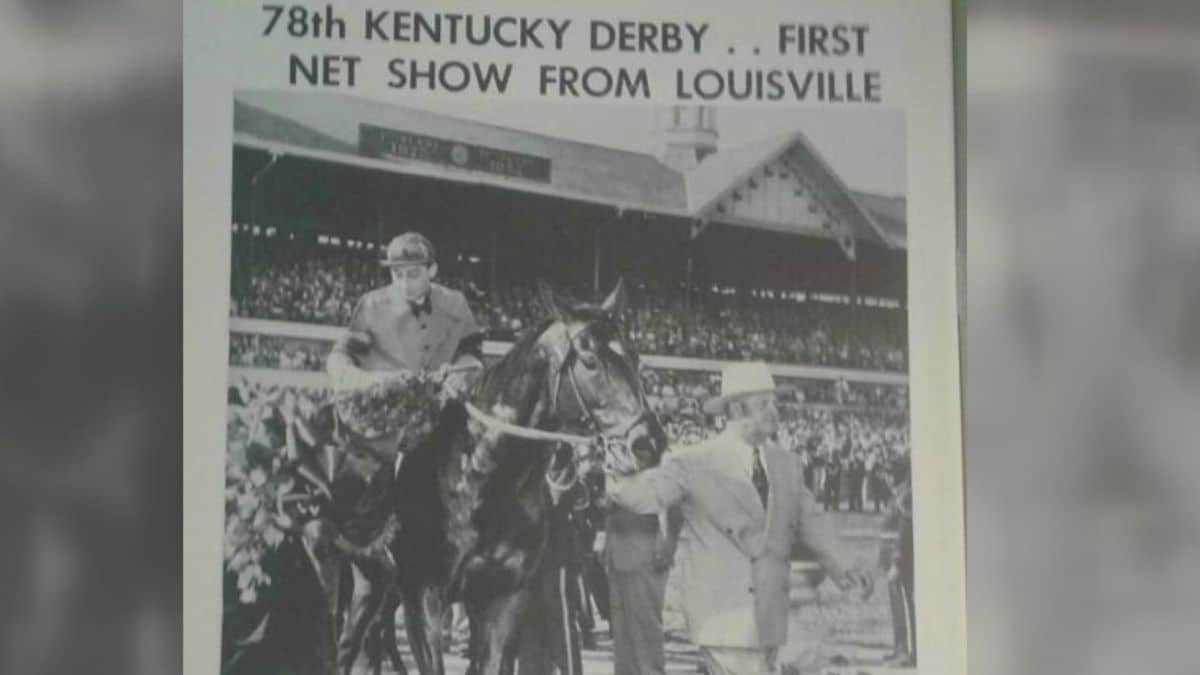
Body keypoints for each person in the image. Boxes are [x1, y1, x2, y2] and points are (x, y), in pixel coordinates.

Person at [604, 362, 872, 675]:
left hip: (774, 616)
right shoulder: (693, 461)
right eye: (764, 404)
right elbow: (642, 497)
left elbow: (812, 520)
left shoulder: (787, 464)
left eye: (773, 402)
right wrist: (615, 469)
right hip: (724, 620)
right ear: (737, 409)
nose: (774, 411)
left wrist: (845, 567)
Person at [325, 232, 484, 675]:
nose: (404, 281)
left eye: (413, 273)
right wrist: (359, 381)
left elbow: (474, 354)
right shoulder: (371, 305)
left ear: (432, 271)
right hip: (383, 431)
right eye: (397, 274)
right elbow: (341, 359)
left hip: (441, 423)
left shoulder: (456, 304)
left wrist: (462, 378)